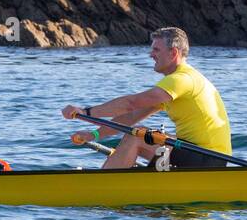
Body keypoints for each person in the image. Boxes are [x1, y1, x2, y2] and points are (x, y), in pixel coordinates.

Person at [62, 27, 231, 169]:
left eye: (156, 50)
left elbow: (131, 104)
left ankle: (102, 187)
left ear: (173, 53)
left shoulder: (182, 80)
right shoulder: (180, 82)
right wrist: (94, 135)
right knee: (147, 133)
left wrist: (85, 111)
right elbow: (131, 116)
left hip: (205, 158)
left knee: (136, 136)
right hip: (202, 156)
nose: (151, 55)